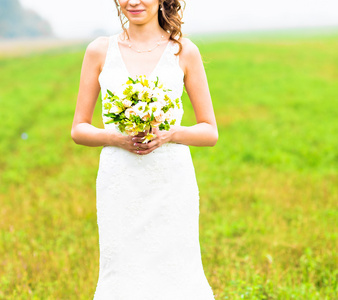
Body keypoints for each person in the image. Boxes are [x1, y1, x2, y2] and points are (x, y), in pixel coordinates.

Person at [71, 0, 218, 298]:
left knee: (176, 268)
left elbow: (210, 131)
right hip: (120, 182)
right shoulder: (99, 50)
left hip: (171, 182)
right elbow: (78, 129)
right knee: (123, 269)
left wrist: (170, 133)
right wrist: (118, 139)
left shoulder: (184, 51)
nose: (133, 2)